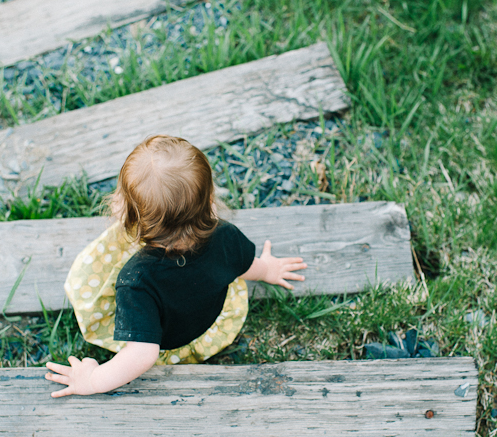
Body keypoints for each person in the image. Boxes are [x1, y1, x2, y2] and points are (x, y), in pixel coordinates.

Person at [45, 135, 307, 397]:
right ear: (210, 198)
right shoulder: (226, 235)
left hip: (173, 342)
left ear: (128, 213)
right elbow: (246, 265)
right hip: (210, 320)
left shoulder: (135, 281)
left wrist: (92, 380)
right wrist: (269, 271)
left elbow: (143, 354)